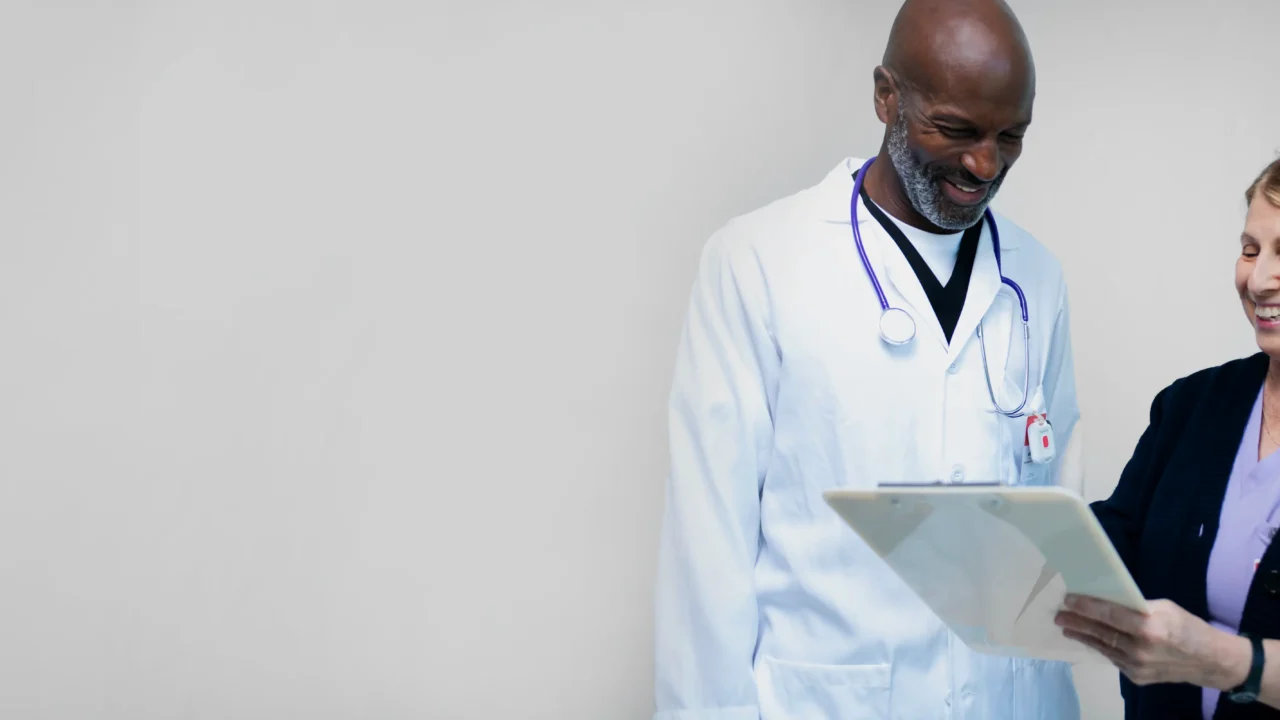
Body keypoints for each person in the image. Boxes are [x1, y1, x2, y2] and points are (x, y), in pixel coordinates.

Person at [652, 0, 1085, 717]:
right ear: (886, 96)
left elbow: (1054, 532)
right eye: (956, 130)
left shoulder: (1036, 279)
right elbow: (707, 548)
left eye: (1011, 136)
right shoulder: (759, 262)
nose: (985, 163)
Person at [1053, 158, 1280, 720]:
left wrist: (1222, 661)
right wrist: (1024, 537)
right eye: (1250, 250)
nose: (1256, 280)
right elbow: (1119, 537)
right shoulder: (1192, 405)